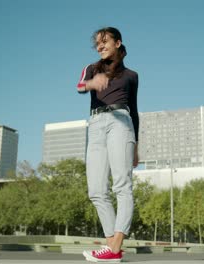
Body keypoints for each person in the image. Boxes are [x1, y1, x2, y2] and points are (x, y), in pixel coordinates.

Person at [77, 27, 139, 262]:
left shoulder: (131, 75)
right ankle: (112, 247)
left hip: (121, 122)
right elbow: (80, 86)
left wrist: (137, 146)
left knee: (122, 185)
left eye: (104, 42)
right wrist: (93, 83)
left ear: (118, 43)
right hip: (95, 125)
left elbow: (134, 110)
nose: (100, 46)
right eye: (97, 43)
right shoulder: (91, 69)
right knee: (96, 190)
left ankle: (114, 247)